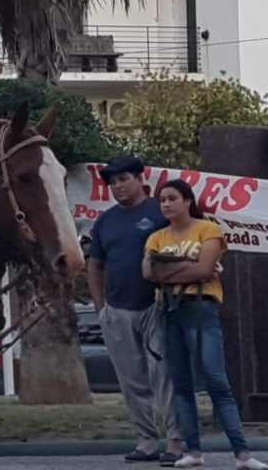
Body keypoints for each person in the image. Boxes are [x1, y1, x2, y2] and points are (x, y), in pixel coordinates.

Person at [144, 180, 268, 470]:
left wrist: (172, 269)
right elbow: (149, 273)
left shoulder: (207, 229)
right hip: (168, 311)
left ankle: (242, 454)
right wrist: (190, 267)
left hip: (200, 308)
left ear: (187, 201)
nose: (166, 204)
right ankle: (194, 451)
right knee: (182, 384)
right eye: (162, 200)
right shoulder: (156, 237)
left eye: (172, 198)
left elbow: (204, 269)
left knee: (216, 380)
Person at [88, 156, 182, 464]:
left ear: (140, 179)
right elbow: (95, 265)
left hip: (158, 305)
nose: (118, 187)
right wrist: (100, 306)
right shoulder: (105, 221)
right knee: (131, 379)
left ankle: (175, 440)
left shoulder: (160, 210)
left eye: (123, 179)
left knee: (164, 374)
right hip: (117, 309)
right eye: (112, 183)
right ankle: (146, 441)